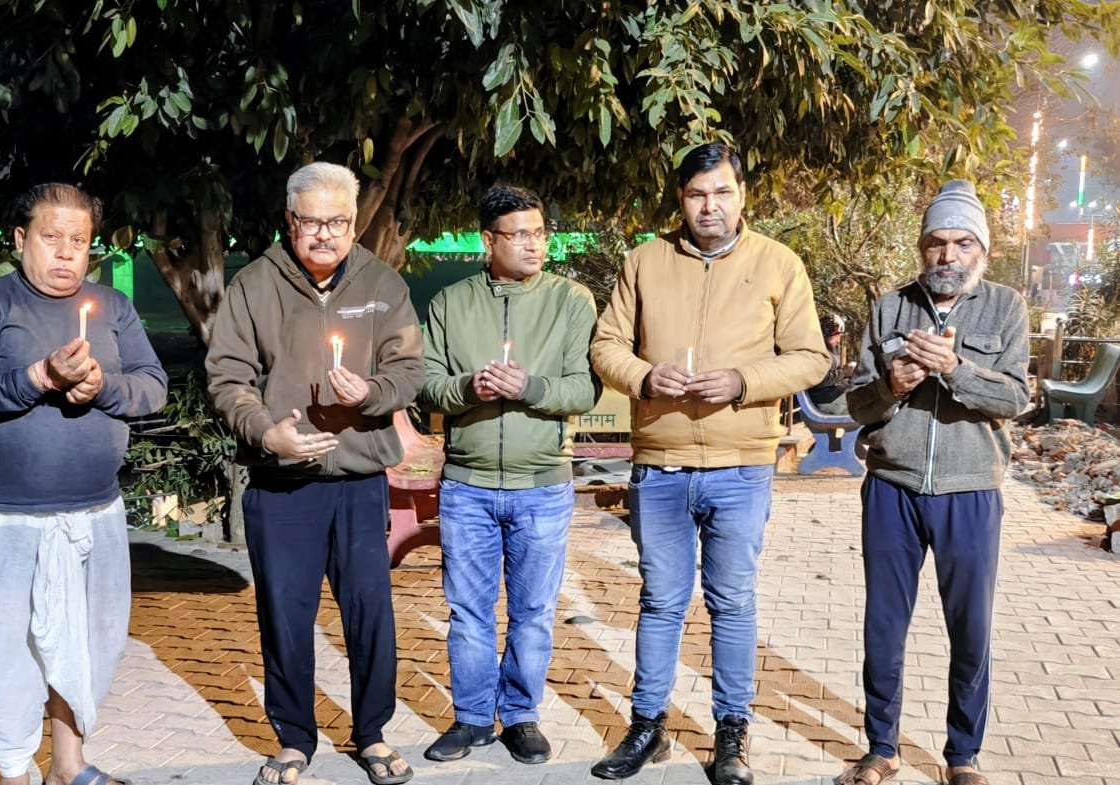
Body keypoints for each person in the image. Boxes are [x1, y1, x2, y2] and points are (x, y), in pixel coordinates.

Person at [589, 141, 830, 784]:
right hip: (660, 466)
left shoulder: (778, 264)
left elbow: (811, 357)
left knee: (733, 602)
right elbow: (606, 346)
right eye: (697, 194)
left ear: (742, 195)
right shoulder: (644, 261)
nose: (709, 206)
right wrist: (645, 377)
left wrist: (743, 382)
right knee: (660, 601)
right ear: (680, 199)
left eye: (722, 192)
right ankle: (648, 727)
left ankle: (731, 733)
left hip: (742, 467)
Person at [206, 162, 424, 785]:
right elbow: (227, 377)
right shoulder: (254, 285)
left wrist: (374, 392)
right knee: (285, 615)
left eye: (338, 222)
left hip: (359, 481)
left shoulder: (382, 283)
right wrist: (264, 431)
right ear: (289, 221)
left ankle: (372, 733)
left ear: (354, 223)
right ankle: (294, 739)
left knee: (369, 612)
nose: (325, 233)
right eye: (312, 221)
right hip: (282, 484)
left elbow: (410, 370)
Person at [0, 183, 168, 785]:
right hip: (10, 516)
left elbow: (153, 385)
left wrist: (104, 388)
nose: (67, 252)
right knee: (6, 651)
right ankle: (15, 772)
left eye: (80, 240)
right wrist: (40, 375)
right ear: (21, 238)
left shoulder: (112, 306)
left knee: (90, 644)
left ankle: (68, 765)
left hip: (96, 512)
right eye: (52, 237)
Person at [836, 180, 1030, 785]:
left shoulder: (1006, 308)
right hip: (891, 487)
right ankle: (881, 747)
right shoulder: (889, 308)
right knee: (883, 624)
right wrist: (890, 385)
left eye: (963, 243)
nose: (948, 255)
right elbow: (856, 405)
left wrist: (957, 369)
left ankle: (962, 756)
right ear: (922, 247)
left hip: (970, 490)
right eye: (936, 242)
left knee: (970, 628)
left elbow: (1016, 398)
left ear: (982, 250)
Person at [418, 185, 598, 765]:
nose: (532, 244)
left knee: (534, 612)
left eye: (539, 233)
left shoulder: (571, 300)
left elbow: (584, 388)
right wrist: (467, 389)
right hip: (466, 485)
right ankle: (472, 719)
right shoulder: (450, 303)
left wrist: (530, 387)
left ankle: (520, 715)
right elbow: (426, 385)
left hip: (543, 484)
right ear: (487, 240)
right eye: (518, 234)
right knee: (468, 612)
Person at [807, 313, 853, 416]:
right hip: (825, 401)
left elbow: (833, 372)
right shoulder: (818, 352)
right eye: (837, 335)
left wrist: (847, 374)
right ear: (828, 333)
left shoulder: (830, 348)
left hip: (833, 395)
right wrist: (844, 372)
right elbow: (820, 379)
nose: (839, 340)